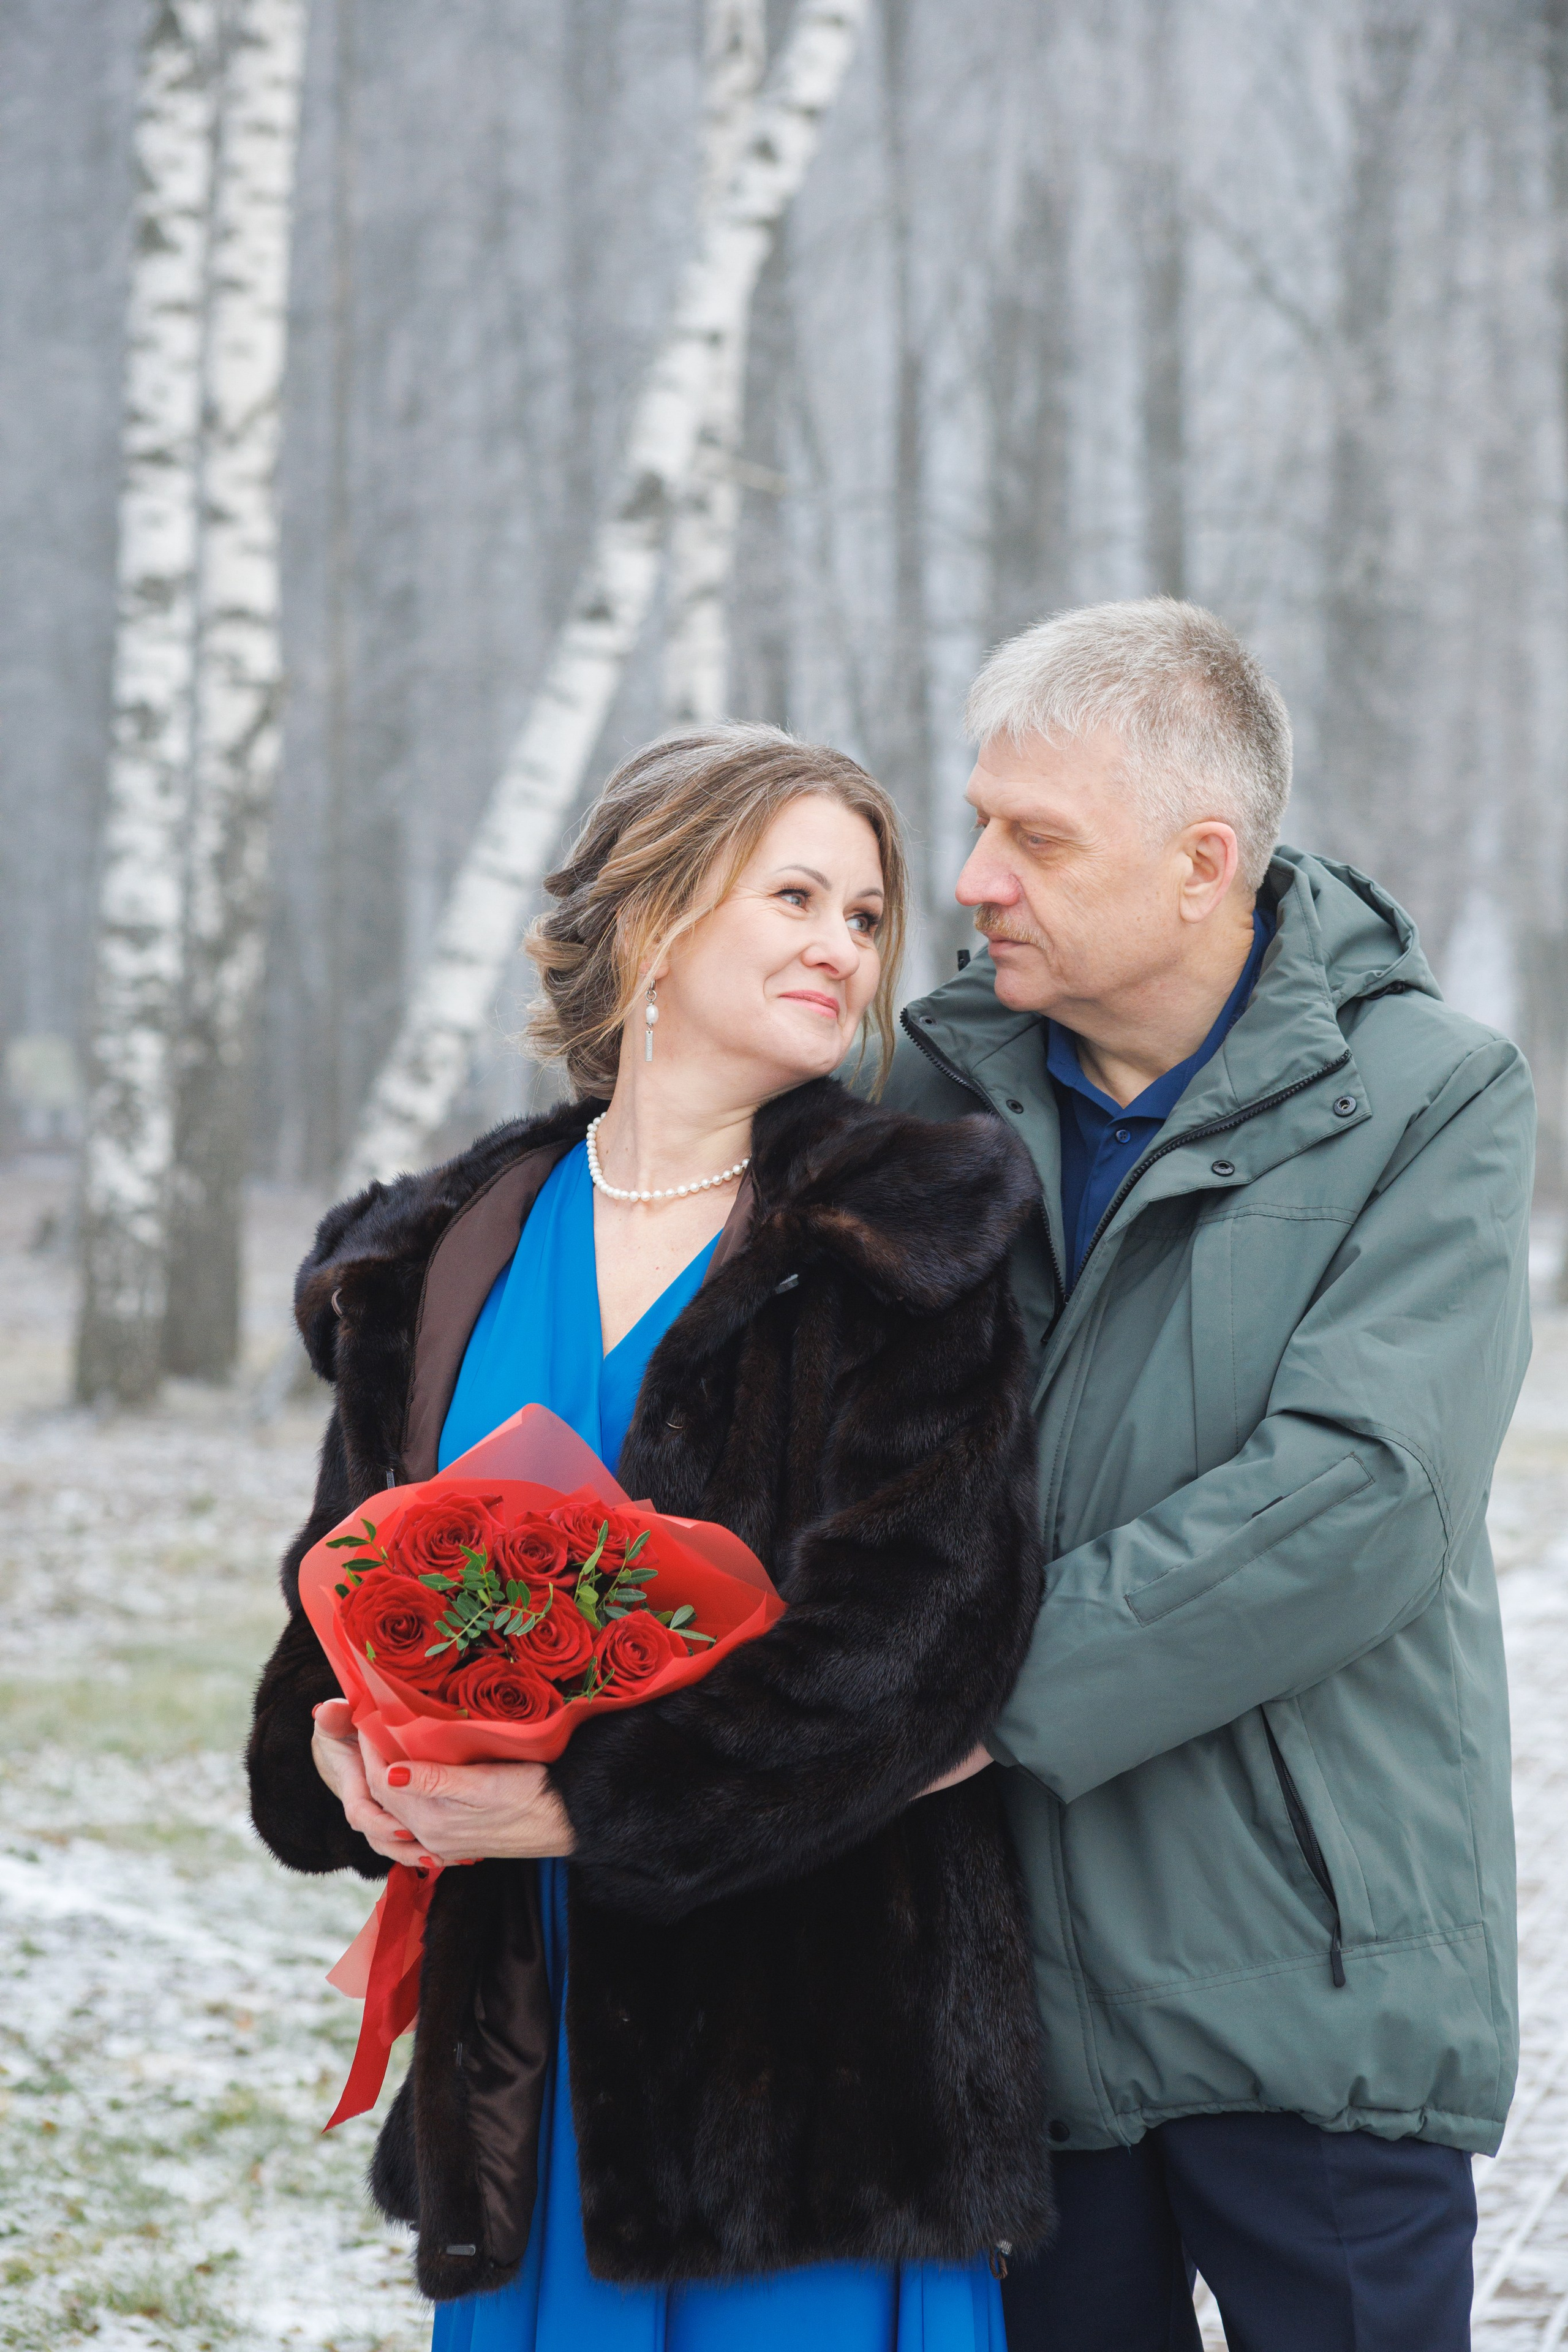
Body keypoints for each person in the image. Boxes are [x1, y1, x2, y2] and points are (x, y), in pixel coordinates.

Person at [246, 724, 1054, 2352]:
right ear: (653, 919)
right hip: (518, 2035)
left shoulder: (902, 1229)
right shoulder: (440, 1251)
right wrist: (346, 1760)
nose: (845, 948)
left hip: (810, 2070)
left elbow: (921, 1647)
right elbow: (343, 1582)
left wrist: (576, 1808)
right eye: (797, 897)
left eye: (866, 917)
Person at [884, 597, 1535, 2352]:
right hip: (1005, 1989)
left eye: (1035, 840)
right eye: (978, 824)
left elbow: (1363, 1496)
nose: (975, 880)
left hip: (1308, 1978)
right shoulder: (921, 1096)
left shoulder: (1432, 1097)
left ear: (1202, 863)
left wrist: (972, 1693)